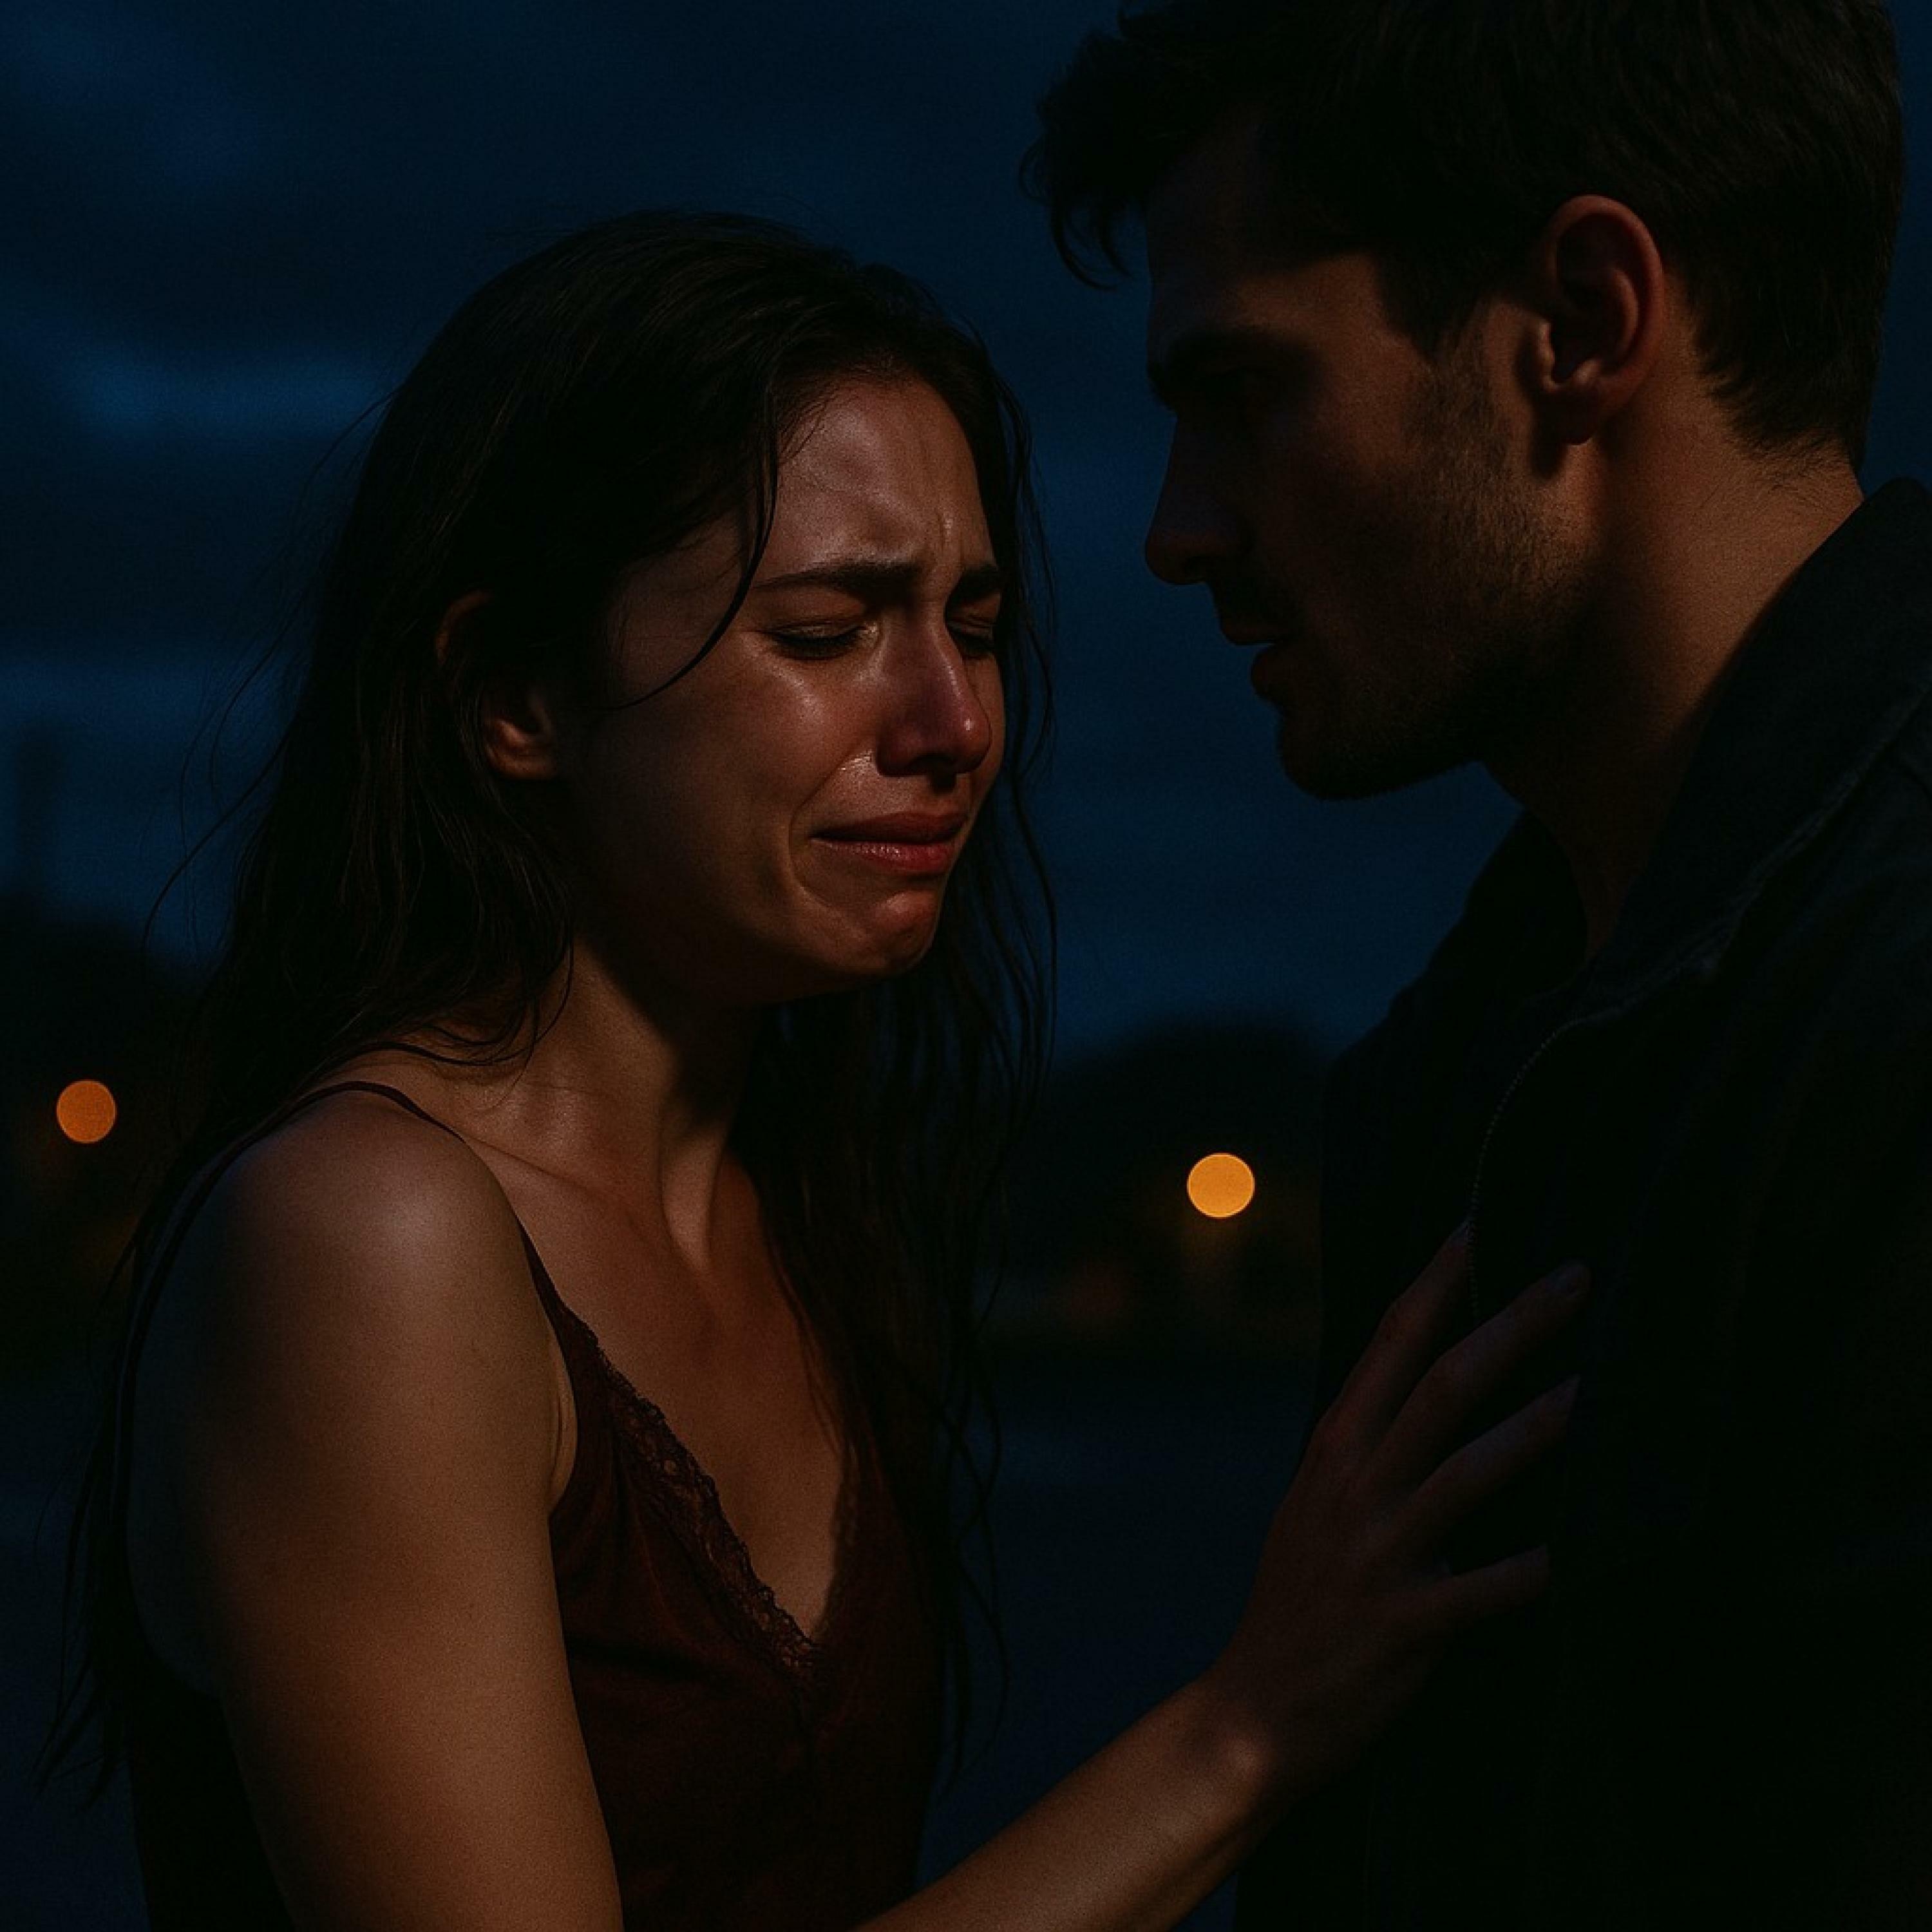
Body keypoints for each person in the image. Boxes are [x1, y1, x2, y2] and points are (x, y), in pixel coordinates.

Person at [47, 211, 1581, 1932]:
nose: (953, 724)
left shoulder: (796, 1211)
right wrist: (1242, 1732)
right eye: (828, 631)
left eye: (973, 625)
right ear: (514, 697)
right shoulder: (365, 1237)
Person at [1029, 1, 1932, 1926]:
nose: (1179, 530)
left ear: (1583, 324)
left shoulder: (1885, 997)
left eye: (1248, 390)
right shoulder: (1476, 1051)